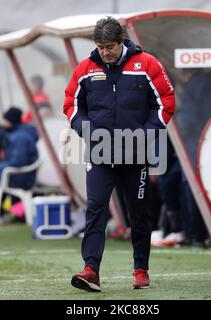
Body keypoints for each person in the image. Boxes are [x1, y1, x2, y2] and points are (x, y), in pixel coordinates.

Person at [63, 17, 175, 292]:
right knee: (96, 209)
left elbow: (166, 102)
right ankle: (91, 270)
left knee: (138, 212)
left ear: (122, 41)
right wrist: (87, 131)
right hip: (99, 153)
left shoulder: (147, 64)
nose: (105, 52)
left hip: (136, 153)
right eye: (100, 47)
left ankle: (141, 270)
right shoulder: (86, 69)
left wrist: (146, 134)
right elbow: (71, 105)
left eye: (109, 46)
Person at [0, 106, 39, 223]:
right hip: (16, 174)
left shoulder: (20, 137)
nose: (2, 123)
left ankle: (0, 214)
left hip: (20, 177)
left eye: (5, 120)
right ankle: (2, 213)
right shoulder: (17, 133)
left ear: (11, 121)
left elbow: (17, 162)